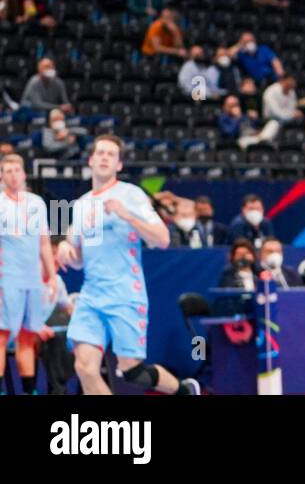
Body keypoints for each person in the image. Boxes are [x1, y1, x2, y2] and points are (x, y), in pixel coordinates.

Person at [55, 135, 198, 395]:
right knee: (85, 366)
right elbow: (77, 260)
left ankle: (184, 391)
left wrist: (126, 215)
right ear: (90, 160)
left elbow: (163, 240)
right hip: (91, 296)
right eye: (100, 153)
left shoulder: (131, 195)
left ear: (119, 165)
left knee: (133, 371)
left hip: (125, 294)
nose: (105, 157)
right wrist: (67, 249)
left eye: (111, 154)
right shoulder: (82, 204)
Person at [0, 153, 58, 395]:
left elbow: (44, 243)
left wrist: (52, 275)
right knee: (1, 336)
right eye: (8, 171)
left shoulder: (36, 203)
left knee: (27, 337)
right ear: (1, 176)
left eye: (17, 170)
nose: (13, 175)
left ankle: (30, 391)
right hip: (6, 278)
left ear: (24, 174)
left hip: (32, 280)